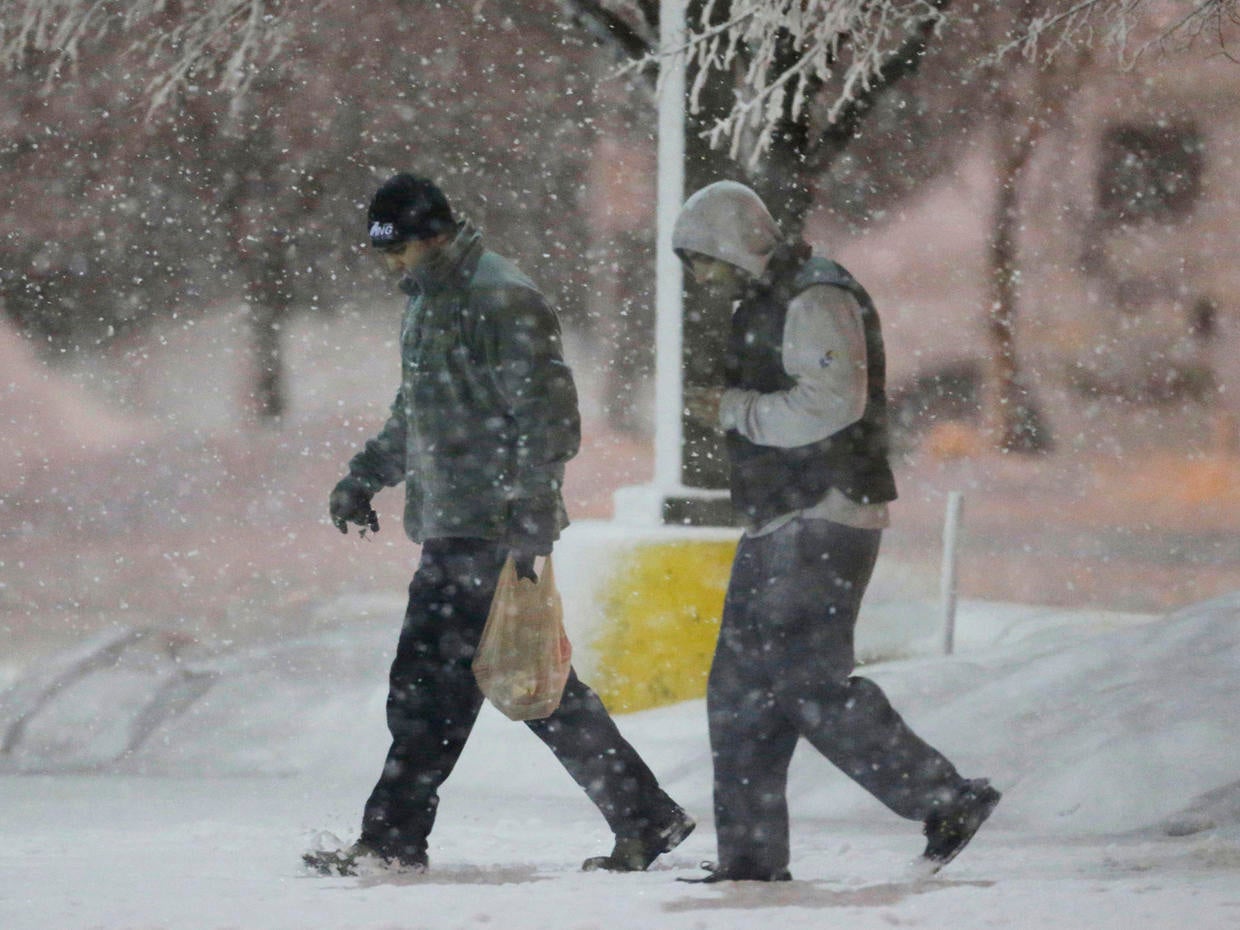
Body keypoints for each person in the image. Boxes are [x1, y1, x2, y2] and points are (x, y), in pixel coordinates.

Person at [306, 173, 693, 876]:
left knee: (433, 692)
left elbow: (548, 420)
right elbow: (415, 412)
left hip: (487, 527)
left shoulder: (500, 297)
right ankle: (645, 814)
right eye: (381, 254)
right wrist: (365, 476)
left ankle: (392, 842)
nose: (390, 266)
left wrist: (531, 519)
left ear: (434, 234)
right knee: (529, 685)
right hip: (454, 523)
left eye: (397, 251)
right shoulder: (429, 303)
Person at [672, 180, 1000, 883]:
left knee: (805, 682)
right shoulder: (769, 299)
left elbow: (834, 405)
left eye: (702, 260)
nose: (699, 278)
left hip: (825, 510)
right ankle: (749, 859)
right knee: (741, 690)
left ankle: (946, 798)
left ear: (734, 247)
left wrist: (736, 410)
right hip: (779, 514)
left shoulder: (816, 297)